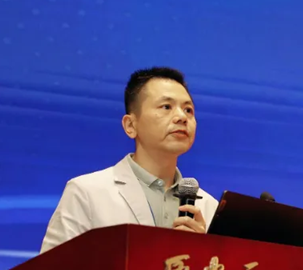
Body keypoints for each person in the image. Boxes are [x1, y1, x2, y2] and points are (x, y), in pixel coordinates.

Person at [39, 67, 219, 253]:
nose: (182, 117)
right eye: (166, 107)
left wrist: (201, 253)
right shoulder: (86, 193)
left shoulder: (209, 207)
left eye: (188, 110)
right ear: (130, 125)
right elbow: (50, 269)